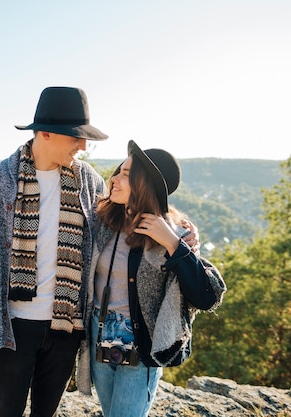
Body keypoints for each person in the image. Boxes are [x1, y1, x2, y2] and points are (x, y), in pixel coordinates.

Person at [0, 86, 110, 417]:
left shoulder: (91, 184)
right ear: (46, 133)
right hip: (14, 328)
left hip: (65, 326)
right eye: (76, 137)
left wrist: (176, 230)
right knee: (6, 413)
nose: (83, 146)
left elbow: (117, 236)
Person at [75, 140, 227, 417]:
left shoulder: (172, 233)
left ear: (145, 183)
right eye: (118, 170)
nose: (114, 179)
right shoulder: (102, 220)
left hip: (141, 344)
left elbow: (207, 297)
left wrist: (174, 245)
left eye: (126, 173)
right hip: (99, 336)